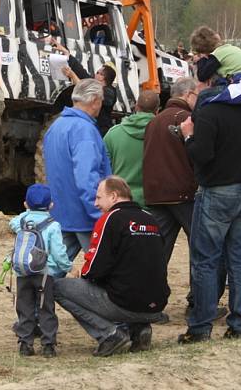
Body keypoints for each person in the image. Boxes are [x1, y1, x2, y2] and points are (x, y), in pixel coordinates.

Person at [177, 77, 241, 342]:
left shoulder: (208, 114)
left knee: (205, 261)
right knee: (240, 258)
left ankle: (201, 326)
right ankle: (239, 324)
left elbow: (201, 154)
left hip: (217, 191)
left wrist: (188, 137)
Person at [53, 176, 169, 357]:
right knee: (128, 277)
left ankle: (109, 334)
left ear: (114, 196)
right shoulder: (151, 219)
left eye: (99, 197)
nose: (95, 203)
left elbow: (95, 269)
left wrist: (82, 276)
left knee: (57, 287)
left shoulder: (110, 219)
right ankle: (139, 329)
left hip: (125, 304)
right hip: (157, 305)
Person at [143, 77, 199, 310]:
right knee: (200, 249)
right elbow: (195, 154)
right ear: (188, 95)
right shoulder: (186, 119)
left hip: (156, 194)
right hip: (184, 193)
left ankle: (151, 303)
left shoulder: (154, 122)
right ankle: (197, 303)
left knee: (157, 253)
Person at [43, 78, 111, 259]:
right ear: (95, 100)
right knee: (102, 265)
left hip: (62, 212)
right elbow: (86, 177)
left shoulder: (55, 127)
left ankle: (36, 288)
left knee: (55, 265)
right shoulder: (84, 130)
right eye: (101, 101)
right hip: (85, 216)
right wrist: (99, 213)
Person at [9, 184, 71, 358]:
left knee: (24, 308)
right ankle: (48, 345)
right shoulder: (53, 225)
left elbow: (11, 222)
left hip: (22, 273)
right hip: (45, 273)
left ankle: (25, 344)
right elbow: (58, 253)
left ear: (25, 204)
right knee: (45, 308)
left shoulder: (20, 222)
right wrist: (68, 267)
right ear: (51, 205)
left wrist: (26, 213)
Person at [103, 90, 159, 205]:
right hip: (154, 203)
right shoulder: (163, 133)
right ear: (157, 110)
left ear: (136, 107)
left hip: (121, 201)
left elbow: (103, 169)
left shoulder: (113, 134)